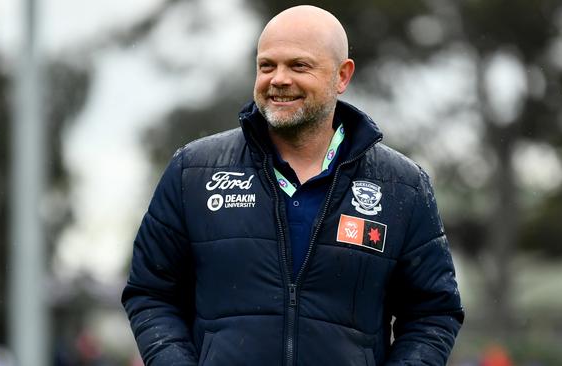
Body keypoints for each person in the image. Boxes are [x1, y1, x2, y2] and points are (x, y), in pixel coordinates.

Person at [122, 5, 464, 366]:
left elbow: (433, 313)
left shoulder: (402, 187)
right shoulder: (193, 171)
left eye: (298, 66)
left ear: (342, 76)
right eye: (267, 65)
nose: (278, 79)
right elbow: (150, 292)